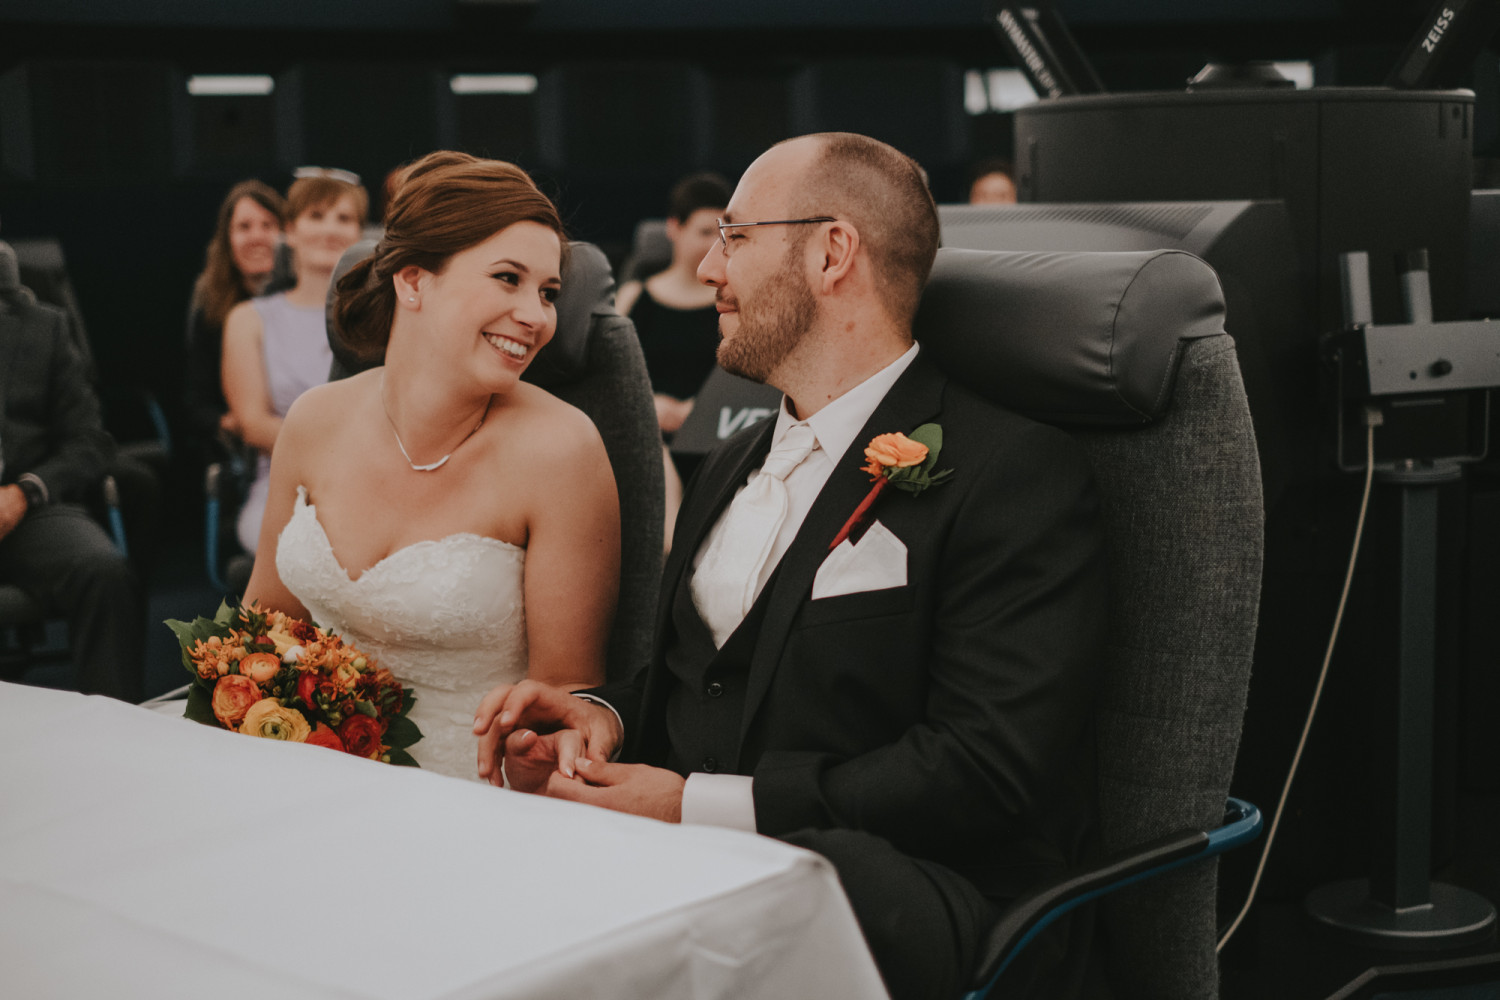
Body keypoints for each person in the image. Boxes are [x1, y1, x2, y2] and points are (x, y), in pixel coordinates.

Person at [473, 133, 1109, 999]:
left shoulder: (1012, 472)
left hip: (904, 892)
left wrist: (693, 808)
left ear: (832, 252)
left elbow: (982, 771)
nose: (707, 268)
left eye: (734, 236)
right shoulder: (730, 464)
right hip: (697, 872)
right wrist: (604, 719)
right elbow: (709, 683)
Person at [241, 151, 620, 781]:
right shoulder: (313, 420)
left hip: (475, 788)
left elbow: (565, 698)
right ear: (413, 281)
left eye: (549, 293)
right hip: (306, 771)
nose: (537, 317)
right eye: (507, 278)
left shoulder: (562, 450)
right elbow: (263, 633)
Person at [0, 239, 144, 703]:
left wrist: (24, 492)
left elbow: (90, 441)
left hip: (23, 505)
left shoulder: (45, 327)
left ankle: (115, 727)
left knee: (103, 571)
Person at [223, 170, 367, 554]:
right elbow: (253, 424)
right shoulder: (248, 319)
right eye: (316, 216)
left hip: (374, 484)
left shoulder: (381, 320)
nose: (330, 229)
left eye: (344, 218)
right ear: (290, 229)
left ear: (359, 233)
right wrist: (341, 457)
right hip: (285, 489)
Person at [616, 172, 733, 552]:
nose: (714, 245)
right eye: (704, 232)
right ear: (674, 228)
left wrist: (700, 410)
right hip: (649, 434)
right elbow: (609, 379)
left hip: (717, 437)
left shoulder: (734, 304)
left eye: (723, 234)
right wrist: (648, 406)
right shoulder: (634, 297)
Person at [184, 180, 285, 449]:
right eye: (244, 227)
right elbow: (198, 405)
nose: (256, 237)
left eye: (268, 225)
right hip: (242, 447)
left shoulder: (309, 303)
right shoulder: (211, 311)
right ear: (227, 240)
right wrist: (238, 424)